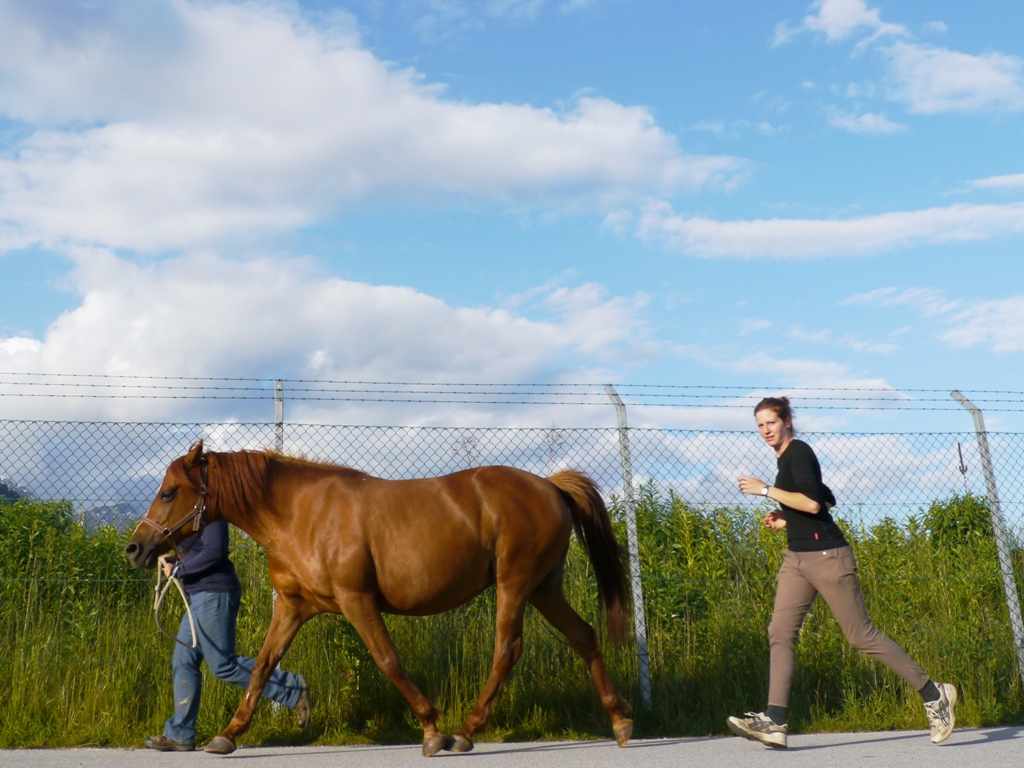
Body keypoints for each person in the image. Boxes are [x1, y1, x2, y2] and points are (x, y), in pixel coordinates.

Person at [726, 396, 955, 749]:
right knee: (780, 631)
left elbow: (815, 503)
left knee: (860, 635)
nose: (765, 430)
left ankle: (933, 693)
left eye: (770, 422)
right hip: (797, 559)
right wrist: (786, 515)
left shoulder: (799, 451)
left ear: (787, 421)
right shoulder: (786, 460)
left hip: (827, 555)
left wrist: (766, 491)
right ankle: (775, 721)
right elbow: (827, 498)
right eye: (759, 425)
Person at [144, 519, 310, 752]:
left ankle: (291, 688)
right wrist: (178, 561)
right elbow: (201, 551)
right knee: (183, 661)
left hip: (215, 593)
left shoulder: (212, 515)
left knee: (223, 665)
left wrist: (180, 570)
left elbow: (215, 551)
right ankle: (180, 733)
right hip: (200, 595)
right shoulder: (193, 511)